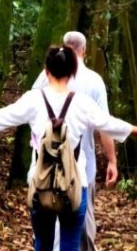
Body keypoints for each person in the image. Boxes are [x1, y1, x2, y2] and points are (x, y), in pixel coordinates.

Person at [0, 45, 137, 251]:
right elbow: (111, 124)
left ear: (46, 69)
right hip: (75, 187)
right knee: (70, 244)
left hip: (41, 185)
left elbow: (1, 117)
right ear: (73, 72)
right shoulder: (83, 103)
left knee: (43, 244)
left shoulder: (33, 99)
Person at [31, 31, 118, 251]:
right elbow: (104, 125)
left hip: (44, 170)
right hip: (81, 170)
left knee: (48, 230)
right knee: (80, 226)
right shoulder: (94, 80)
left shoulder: (45, 77)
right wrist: (112, 161)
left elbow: (33, 117)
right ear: (84, 51)